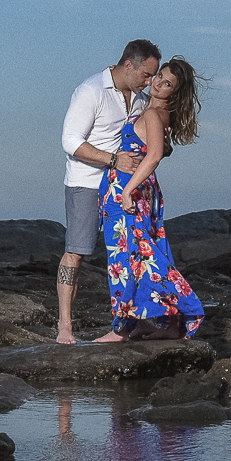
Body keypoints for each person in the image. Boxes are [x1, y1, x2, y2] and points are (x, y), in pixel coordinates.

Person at [58, 39, 162, 345]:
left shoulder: (141, 99)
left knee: (135, 254)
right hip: (86, 184)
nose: (149, 82)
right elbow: (70, 141)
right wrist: (113, 159)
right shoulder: (90, 91)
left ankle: (136, 322)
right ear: (128, 64)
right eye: (146, 74)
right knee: (76, 253)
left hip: (123, 188)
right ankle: (65, 325)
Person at [95, 56, 205, 342]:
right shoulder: (157, 113)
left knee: (127, 257)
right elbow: (158, 150)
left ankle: (123, 328)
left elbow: (154, 155)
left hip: (131, 192)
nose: (157, 83)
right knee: (141, 256)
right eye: (159, 77)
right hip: (141, 191)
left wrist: (127, 189)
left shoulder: (155, 115)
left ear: (174, 92)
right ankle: (154, 324)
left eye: (167, 83)